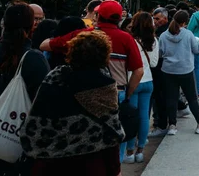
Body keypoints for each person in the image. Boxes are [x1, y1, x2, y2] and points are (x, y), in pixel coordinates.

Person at [21, 31, 124, 176]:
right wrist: (115, 169)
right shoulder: (104, 85)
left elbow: (35, 118)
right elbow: (112, 133)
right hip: (91, 163)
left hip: (50, 162)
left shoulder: (55, 77)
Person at [0, 2, 51, 175]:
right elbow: (42, 102)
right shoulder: (35, 60)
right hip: (17, 140)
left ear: (3, 24)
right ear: (32, 25)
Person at [156, 10, 199, 136]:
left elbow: (160, 53)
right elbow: (196, 49)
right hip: (185, 69)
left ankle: (172, 125)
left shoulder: (163, 35)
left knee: (171, 98)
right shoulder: (188, 34)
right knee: (192, 98)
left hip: (168, 70)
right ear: (185, 22)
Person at [122, 12, 157, 164]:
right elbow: (154, 63)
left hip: (133, 80)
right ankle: (140, 150)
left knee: (130, 117)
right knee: (144, 117)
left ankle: (129, 151)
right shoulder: (154, 40)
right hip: (148, 79)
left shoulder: (130, 39)